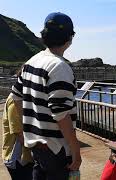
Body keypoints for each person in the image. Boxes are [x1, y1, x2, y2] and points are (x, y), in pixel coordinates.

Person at [11, 12, 81, 180]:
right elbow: (61, 114)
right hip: (56, 148)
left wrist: (32, 126)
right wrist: (75, 150)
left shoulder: (31, 62)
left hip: (36, 145)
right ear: (69, 38)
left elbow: (16, 97)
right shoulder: (59, 67)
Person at [2, 92, 33, 180]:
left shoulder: (22, 98)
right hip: (18, 158)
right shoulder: (15, 100)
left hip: (24, 157)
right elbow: (20, 135)